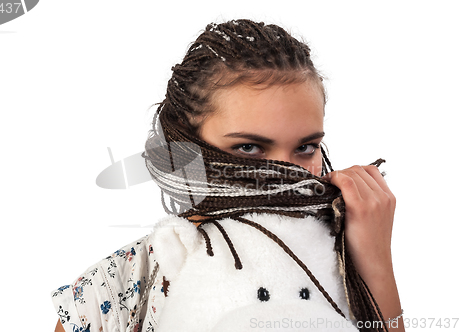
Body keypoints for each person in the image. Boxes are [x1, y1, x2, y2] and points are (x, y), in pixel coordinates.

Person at [52, 19, 404, 332]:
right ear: (185, 148)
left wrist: (375, 265)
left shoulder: (343, 261)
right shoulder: (114, 292)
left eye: (305, 147)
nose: (285, 173)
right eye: (249, 148)